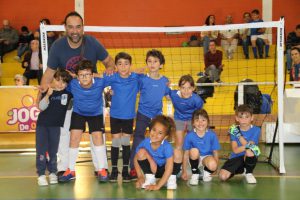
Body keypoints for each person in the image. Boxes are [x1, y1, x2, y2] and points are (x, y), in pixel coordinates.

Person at [39, 11, 115, 176]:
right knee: (66, 132)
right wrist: (43, 90)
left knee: (97, 133)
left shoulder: (92, 43)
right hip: (68, 96)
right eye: (71, 27)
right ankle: (64, 168)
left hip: (93, 95)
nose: (74, 31)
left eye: (78, 27)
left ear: (83, 28)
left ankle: (100, 167)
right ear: (65, 28)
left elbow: (109, 62)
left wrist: (109, 70)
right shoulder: (58, 46)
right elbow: (49, 72)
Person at [58, 60, 109, 183]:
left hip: (95, 113)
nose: (84, 77)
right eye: (81, 75)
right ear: (77, 76)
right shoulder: (73, 84)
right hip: (79, 112)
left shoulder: (101, 82)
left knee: (98, 137)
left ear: (92, 75)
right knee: (74, 137)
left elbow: (117, 76)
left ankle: (102, 169)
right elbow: (59, 84)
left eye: (87, 74)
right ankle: (70, 169)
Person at [129, 49, 170, 179]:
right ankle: (133, 168)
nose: (152, 64)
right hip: (143, 113)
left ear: (161, 64)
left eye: (155, 61)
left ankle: (160, 165)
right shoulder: (142, 79)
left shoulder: (165, 81)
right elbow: (127, 76)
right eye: (149, 61)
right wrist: (136, 71)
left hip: (157, 115)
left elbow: (169, 95)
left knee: (159, 140)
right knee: (138, 139)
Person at [104, 52, 142, 182]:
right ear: (115, 66)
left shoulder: (136, 78)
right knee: (115, 142)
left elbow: (149, 78)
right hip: (115, 115)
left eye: (126, 64)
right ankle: (114, 170)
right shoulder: (112, 77)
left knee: (126, 143)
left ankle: (125, 171)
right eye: (120, 64)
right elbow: (98, 79)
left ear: (130, 65)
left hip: (128, 116)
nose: (123, 67)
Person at [36, 69, 72, 186]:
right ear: (53, 79)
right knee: (41, 150)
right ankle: (41, 174)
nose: (60, 84)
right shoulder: (47, 91)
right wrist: (47, 95)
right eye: (58, 80)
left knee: (53, 151)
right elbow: (41, 107)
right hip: (42, 126)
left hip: (55, 127)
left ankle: (52, 172)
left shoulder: (68, 94)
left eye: (64, 82)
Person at [134, 115, 181, 190]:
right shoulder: (145, 142)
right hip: (155, 169)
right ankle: (150, 177)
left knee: (177, 152)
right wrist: (140, 176)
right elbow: (136, 158)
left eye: (160, 133)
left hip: (167, 170)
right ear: (150, 129)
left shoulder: (167, 147)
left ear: (165, 137)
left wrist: (158, 186)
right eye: (154, 130)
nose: (155, 134)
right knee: (140, 152)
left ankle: (171, 178)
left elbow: (169, 167)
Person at [219, 104, 261, 184]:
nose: (244, 120)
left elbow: (251, 148)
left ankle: (249, 172)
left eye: (247, 117)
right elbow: (235, 150)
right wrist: (248, 145)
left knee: (250, 151)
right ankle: (242, 169)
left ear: (252, 118)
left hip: (249, 156)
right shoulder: (234, 129)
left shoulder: (256, 130)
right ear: (237, 118)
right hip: (236, 157)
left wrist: (238, 135)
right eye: (241, 117)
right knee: (222, 177)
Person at [168, 75, 204, 164]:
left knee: (194, 144)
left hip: (192, 121)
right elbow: (164, 91)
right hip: (179, 120)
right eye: (183, 88)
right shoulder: (174, 94)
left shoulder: (197, 100)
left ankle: (196, 164)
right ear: (179, 87)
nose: (186, 91)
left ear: (193, 88)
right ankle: (177, 165)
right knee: (179, 144)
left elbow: (199, 113)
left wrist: (197, 124)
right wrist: (165, 84)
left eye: (189, 88)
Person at [182, 109, 220, 184]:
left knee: (213, 165)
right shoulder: (189, 136)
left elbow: (215, 152)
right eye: (197, 120)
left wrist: (216, 167)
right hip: (194, 158)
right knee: (194, 151)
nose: (200, 123)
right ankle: (195, 173)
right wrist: (184, 171)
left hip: (207, 158)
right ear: (193, 123)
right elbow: (186, 154)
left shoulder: (212, 135)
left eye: (203, 120)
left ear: (208, 122)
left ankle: (206, 172)